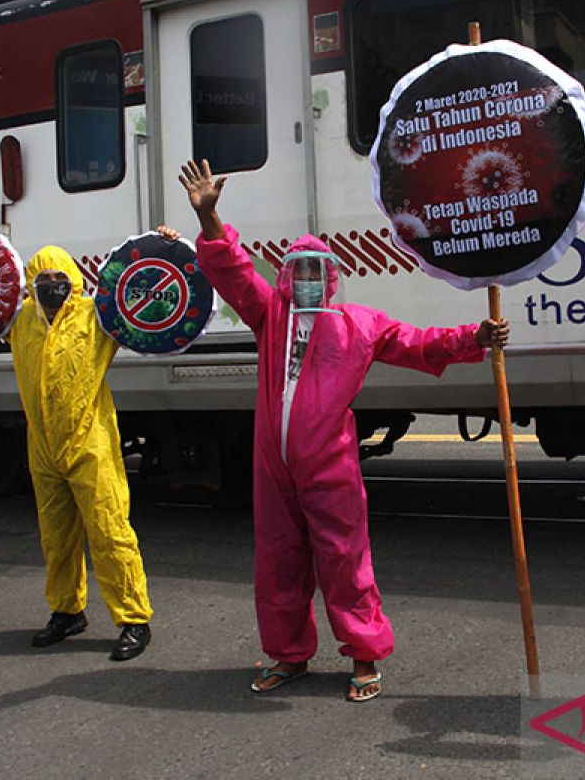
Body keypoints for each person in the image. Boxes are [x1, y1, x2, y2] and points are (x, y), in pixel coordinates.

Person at [177, 159, 510, 702]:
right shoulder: (270, 315)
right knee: (277, 560)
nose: (306, 279)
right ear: (287, 277)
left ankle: (364, 655)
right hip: (272, 468)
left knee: (344, 559)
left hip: (330, 467)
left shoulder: (358, 325)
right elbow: (233, 270)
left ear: (329, 277)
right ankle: (288, 655)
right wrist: (211, 219)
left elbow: (421, 342)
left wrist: (476, 335)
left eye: (316, 271)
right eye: (298, 270)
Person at [8, 245, 154, 661]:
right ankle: (67, 611)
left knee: (109, 528)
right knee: (56, 535)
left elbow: (144, 301)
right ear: (32, 287)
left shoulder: (96, 316)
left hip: (90, 442)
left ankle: (133, 620)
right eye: (44, 281)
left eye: (61, 280)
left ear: (74, 281)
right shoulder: (21, 323)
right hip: (43, 446)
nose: (53, 288)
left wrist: (168, 246)